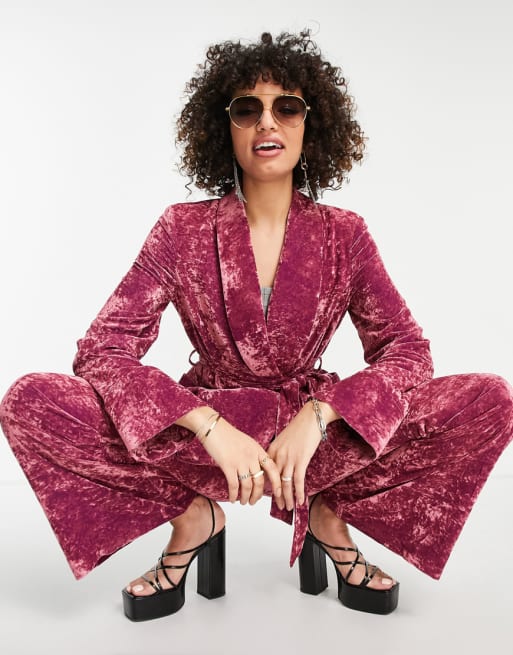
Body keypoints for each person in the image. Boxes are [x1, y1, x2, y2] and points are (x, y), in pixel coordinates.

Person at [1, 30, 512, 621]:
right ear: (225, 128)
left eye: (286, 107)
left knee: (490, 400)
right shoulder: (181, 230)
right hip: (204, 442)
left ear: (310, 125)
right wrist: (206, 424)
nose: (267, 122)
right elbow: (103, 351)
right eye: (248, 109)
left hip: (314, 443)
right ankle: (194, 519)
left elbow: (406, 351)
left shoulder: (345, 234)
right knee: (30, 401)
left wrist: (322, 416)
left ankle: (328, 513)